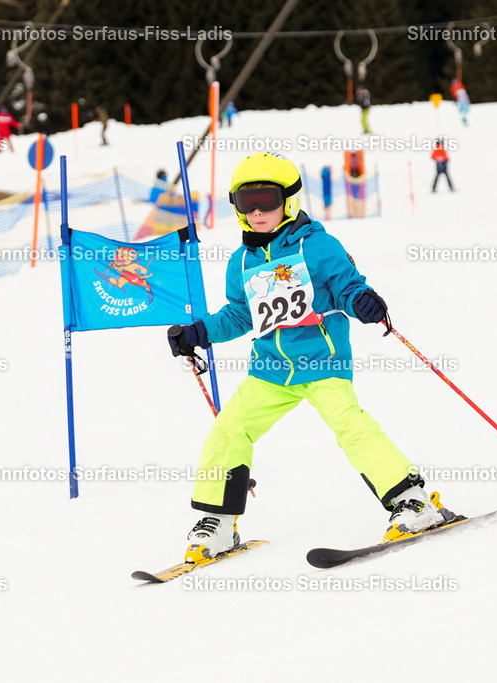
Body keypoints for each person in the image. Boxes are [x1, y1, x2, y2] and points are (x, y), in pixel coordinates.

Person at [167, 152, 457, 564]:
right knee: (229, 431)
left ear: (288, 200)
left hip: (323, 361)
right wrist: (200, 333)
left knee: (349, 424)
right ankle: (218, 523)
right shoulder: (242, 262)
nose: (256, 211)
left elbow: (347, 286)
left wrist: (362, 302)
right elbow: (239, 314)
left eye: (266, 199)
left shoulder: (318, 246)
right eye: (245, 202)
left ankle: (412, 501)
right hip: (270, 368)